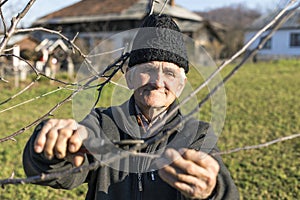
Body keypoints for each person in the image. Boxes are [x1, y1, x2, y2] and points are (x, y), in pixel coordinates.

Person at [23, 14, 239, 200]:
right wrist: (49, 151)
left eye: (170, 73)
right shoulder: (101, 124)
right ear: (129, 77)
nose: (158, 81)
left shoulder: (197, 134)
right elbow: (62, 174)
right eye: (148, 69)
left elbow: (225, 192)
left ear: (181, 86)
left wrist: (211, 191)